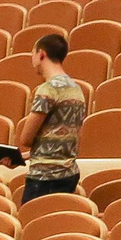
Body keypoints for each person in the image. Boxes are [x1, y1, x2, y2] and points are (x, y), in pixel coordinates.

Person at [11, 34, 89, 201]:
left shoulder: (47, 89)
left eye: (32, 54)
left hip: (44, 177)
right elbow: (66, 137)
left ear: (41, 54)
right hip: (69, 173)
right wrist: (26, 156)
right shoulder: (76, 89)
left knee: (32, 217)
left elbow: (26, 138)